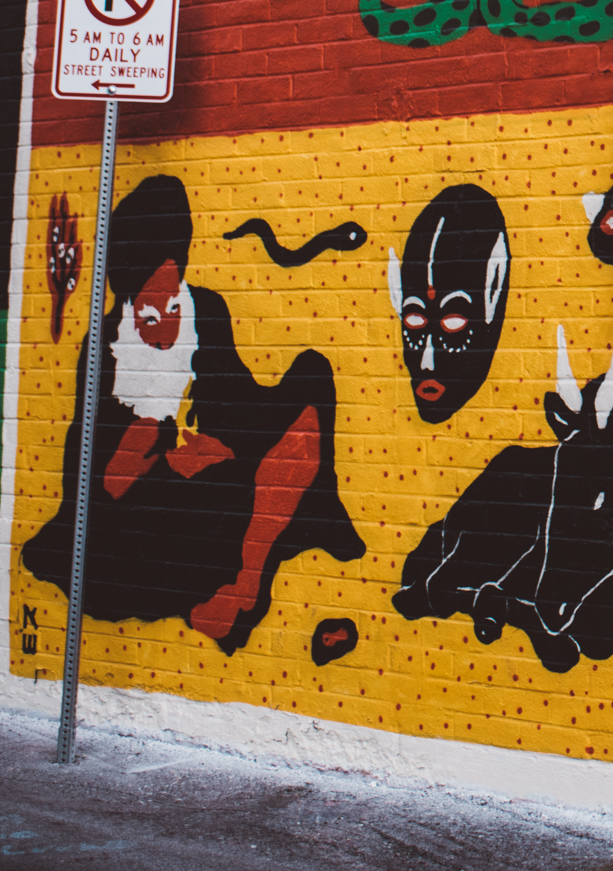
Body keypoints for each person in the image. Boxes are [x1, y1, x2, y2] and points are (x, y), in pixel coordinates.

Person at [24, 173, 362, 650]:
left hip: (212, 478)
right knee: (208, 496)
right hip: (136, 515)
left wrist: (219, 444)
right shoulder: (103, 349)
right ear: (126, 305)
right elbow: (103, 482)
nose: (163, 327)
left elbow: (235, 402)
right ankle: (229, 591)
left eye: (172, 305)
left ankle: (243, 587)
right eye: (148, 316)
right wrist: (163, 446)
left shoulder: (207, 310)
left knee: (310, 382)